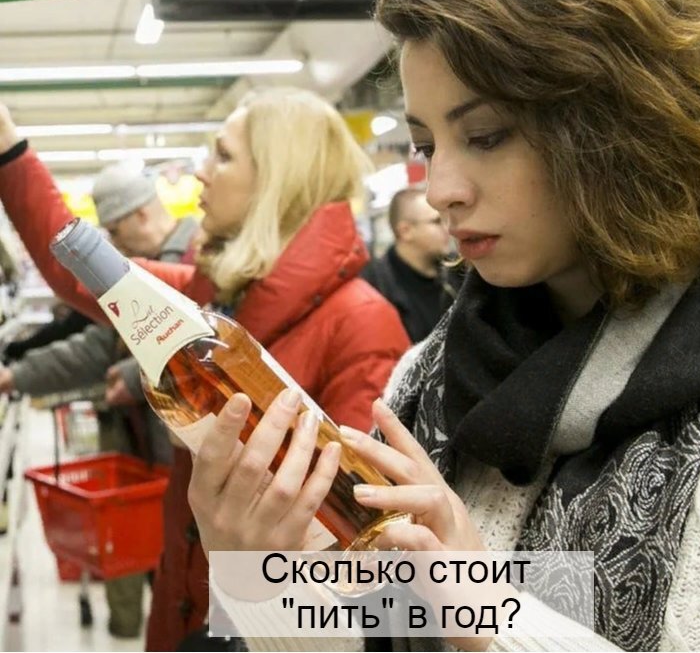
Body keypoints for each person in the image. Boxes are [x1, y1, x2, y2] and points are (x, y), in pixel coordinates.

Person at [181, 0, 700, 652]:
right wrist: (258, 581)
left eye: (485, 136)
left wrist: (492, 615)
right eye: (425, 145)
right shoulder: (426, 379)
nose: (439, 191)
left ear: (621, 127)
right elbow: (368, 627)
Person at [0, 87, 410, 651]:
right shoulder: (213, 296)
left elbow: (356, 552)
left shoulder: (359, 324)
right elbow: (79, 268)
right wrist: (9, 148)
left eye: (223, 156)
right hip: (185, 602)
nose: (200, 173)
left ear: (277, 178)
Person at [0, 161, 199, 638]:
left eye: (114, 230)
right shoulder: (140, 270)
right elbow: (97, 347)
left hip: (185, 460)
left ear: (139, 215)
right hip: (143, 449)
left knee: (185, 575)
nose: (112, 242)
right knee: (147, 563)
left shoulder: (197, 264)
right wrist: (16, 375)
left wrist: (133, 375)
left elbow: (208, 341)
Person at [361, 187, 457, 342]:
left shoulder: (458, 270)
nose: (447, 228)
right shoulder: (377, 288)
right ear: (405, 231)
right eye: (436, 221)